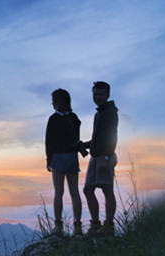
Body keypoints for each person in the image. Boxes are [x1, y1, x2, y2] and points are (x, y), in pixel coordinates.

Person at [78, 81, 119, 236]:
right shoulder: (99, 113)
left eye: (101, 94)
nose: (98, 97)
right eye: (95, 94)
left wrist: (107, 156)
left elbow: (112, 136)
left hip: (104, 156)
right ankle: (96, 224)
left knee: (107, 190)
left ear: (107, 95)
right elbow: (98, 139)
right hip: (96, 157)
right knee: (88, 190)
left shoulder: (110, 112)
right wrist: (83, 145)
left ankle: (108, 226)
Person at [45, 88, 86, 235]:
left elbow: (49, 142)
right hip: (72, 158)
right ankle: (78, 225)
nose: (52, 103)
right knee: (75, 192)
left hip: (58, 158)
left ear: (58, 102)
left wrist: (49, 160)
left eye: (53, 101)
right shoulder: (74, 118)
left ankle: (58, 225)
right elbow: (76, 139)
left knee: (59, 192)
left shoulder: (53, 119)